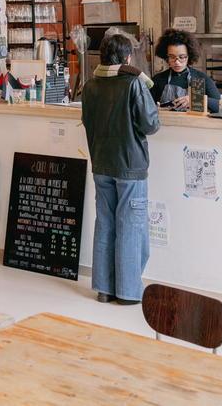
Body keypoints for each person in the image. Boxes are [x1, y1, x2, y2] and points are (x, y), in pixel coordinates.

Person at [81, 33, 160, 305]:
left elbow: (87, 121)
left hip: (101, 162)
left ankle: (104, 289)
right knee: (131, 227)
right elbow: (150, 125)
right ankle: (127, 292)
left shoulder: (90, 85)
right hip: (130, 165)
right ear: (128, 57)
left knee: (105, 223)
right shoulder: (133, 84)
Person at [151, 28, 221, 113]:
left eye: (182, 57)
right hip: (167, 124)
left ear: (189, 56)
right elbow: (144, 108)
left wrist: (195, 100)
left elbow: (220, 106)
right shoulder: (158, 80)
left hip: (193, 125)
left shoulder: (201, 79)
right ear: (166, 56)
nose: (177, 62)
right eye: (172, 57)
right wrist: (156, 109)